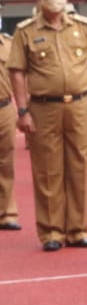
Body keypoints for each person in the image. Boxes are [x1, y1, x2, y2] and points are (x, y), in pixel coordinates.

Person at [6, 0, 87, 251]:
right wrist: (22, 110)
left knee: (79, 167)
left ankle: (77, 230)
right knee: (48, 170)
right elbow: (17, 72)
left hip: (79, 104)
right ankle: (51, 232)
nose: (55, 0)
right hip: (44, 106)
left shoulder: (82, 28)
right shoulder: (26, 31)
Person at [0, 28, 20, 231]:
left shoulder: (8, 44)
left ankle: (7, 213)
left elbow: (18, 76)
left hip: (4, 107)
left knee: (6, 162)